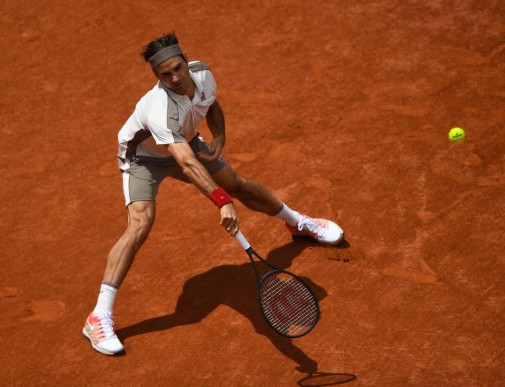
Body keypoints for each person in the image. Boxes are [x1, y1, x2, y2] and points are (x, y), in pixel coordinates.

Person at [82, 32, 344, 356]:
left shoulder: (202, 72)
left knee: (238, 184)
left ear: (186, 60)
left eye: (178, 69)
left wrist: (219, 135)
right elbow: (187, 165)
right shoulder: (158, 108)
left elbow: (211, 103)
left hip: (186, 141)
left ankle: (297, 223)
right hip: (144, 158)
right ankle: (98, 316)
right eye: (166, 75)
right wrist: (221, 202)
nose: (175, 78)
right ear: (156, 76)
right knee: (140, 224)